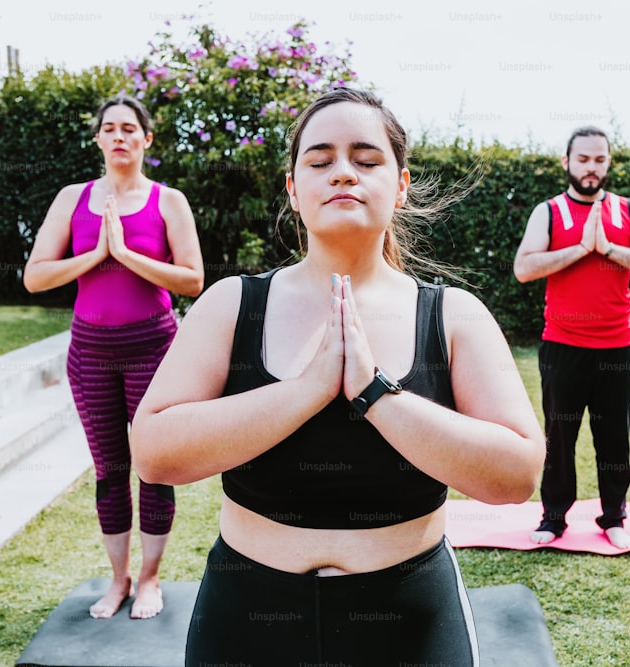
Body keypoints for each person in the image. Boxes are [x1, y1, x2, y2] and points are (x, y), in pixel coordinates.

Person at [130, 87, 544, 665]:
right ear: (295, 191)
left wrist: (374, 391)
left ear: (400, 186)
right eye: (320, 161)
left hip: (409, 618)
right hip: (248, 614)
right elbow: (153, 452)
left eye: (367, 160)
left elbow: (517, 475)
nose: (343, 173)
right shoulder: (232, 304)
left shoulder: (453, 316)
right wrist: (306, 389)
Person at [23, 94, 204, 619]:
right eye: (110, 129)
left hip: (153, 348)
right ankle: (119, 579)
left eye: (130, 128)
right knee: (109, 470)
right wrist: (96, 255)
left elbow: (193, 279)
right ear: (99, 139)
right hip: (91, 354)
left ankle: (150, 580)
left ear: (147, 140)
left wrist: (127, 256)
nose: (120, 136)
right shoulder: (73, 199)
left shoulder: (169, 201)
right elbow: (35, 276)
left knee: (154, 466)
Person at [513, 126, 630, 550]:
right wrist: (581, 248)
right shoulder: (548, 212)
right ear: (567, 162)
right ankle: (553, 517)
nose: (591, 167)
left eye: (599, 160)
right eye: (583, 159)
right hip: (563, 345)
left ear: (608, 163)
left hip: (617, 346)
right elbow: (523, 268)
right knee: (559, 436)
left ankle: (614, 515)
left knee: (614, 436)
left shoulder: (628, 211)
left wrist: (609, 249)